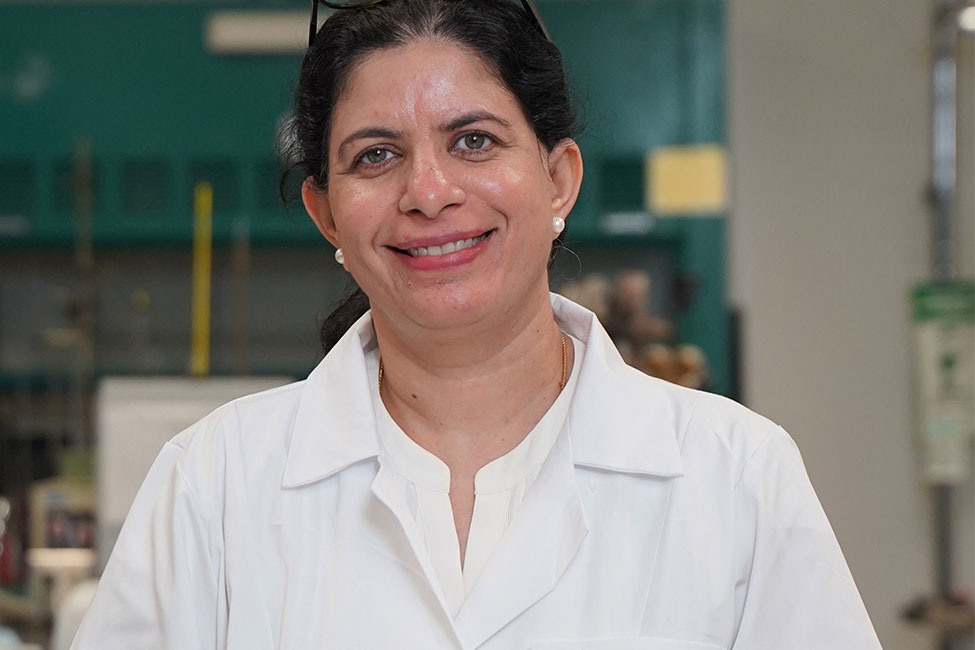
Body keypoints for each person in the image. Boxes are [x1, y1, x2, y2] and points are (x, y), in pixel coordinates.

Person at [71, 1, 883, 648]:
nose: (429, 191)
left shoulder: (734, 476)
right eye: (375, 156)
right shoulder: (214, 486)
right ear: (327, 214)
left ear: (558, 180)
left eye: (473, 140)